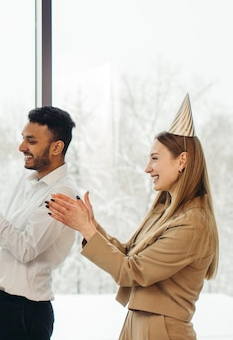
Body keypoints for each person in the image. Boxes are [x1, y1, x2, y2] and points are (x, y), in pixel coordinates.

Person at [47, 93, 219, 340]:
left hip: (163, 330)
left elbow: (131, 270)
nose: (147, 168)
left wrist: (87, 230)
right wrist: (91, 225)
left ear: (182, 160)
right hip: (139, 323)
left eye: (155, 159)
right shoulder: (167, 212)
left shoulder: (193, 223)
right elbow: (129, 253)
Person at [0, 106, 80, 340]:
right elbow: (3, 237)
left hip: (23, 313)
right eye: (23, 139)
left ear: (57, 147)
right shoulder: (29, 181)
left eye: (31, 141)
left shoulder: (63, 193)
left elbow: (26, 249)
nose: (22, 147)